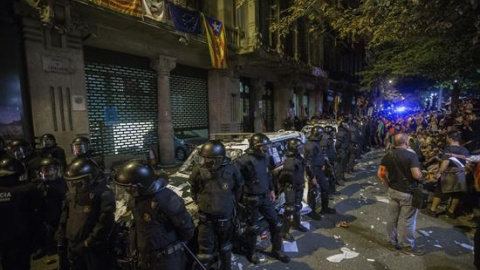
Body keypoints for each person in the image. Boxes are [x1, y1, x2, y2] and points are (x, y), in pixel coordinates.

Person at [115, 160, 195, 270]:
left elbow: (187, 229)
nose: (127, 191)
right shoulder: (137, 197)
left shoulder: (166, 198)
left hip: (166, 259)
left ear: (141, 185)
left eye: (129, 188)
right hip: (146, 257)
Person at [189, 140, 244, 270]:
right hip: (206, 218)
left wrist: (228, 203)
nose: (206, 162)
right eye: (205, 158)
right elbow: (194, 188)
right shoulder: (199, 170)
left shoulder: (231, 169)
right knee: (204, 253)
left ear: (219, 159)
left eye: (210, 159)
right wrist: (201, 202)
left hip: (225, 217)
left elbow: (238, 188)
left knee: (225, 247)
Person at [236, 133, 290, 264]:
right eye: (263, 147)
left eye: (266, 147)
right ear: (255, 146)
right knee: (253, 228)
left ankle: (277, 251)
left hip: (265, 196)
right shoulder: (242, 161)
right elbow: (236, 181)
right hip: (251, 199)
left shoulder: (265, 158)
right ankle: (251, 253)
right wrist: (239, 198)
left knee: (276, 223)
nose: (265, 149)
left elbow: (268, 175)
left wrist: (271, 189)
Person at [57, 158, 115, 270]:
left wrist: (87, 243)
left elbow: (104, 222)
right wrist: (61, 237)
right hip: (73, 242)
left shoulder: (103, 193)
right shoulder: (73, 194)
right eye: (72, 182)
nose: (74, 185)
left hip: (92, 247)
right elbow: (65, 216)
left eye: (79, 182)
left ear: (90, 178)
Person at [377, 133, 424, 256]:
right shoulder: (411, 156)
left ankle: (391, 243)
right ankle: (408, 247)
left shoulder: (388, 156)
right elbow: (416, 175)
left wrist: (387, 184)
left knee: (392, 218)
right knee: (408, 220)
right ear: (406, 143)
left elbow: (381, 174)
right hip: (407, 193)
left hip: (393, 191)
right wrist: (422, 175)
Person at [0, 156, 42, 270]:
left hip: (3, 237)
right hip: (23, 234)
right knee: (22, 263)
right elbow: (38, 210)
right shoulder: (27, 189)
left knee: (7, 261)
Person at [423, 131, 470, 218]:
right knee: (457, 193)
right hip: (461, 173)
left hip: (449, 172)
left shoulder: (448, 149)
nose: (446, 139)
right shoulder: (465, 150)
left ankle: (432, 210)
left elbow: (446, 162)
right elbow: (468, 164)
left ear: (451, 139)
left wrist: (439, 173)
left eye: (447, 137)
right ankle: (450, 211)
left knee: (440, 191)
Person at [32, 157, 68, 260]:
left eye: (52, 169)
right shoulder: (38, 185)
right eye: (46, 170)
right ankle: (45, 248)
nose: (49, 173)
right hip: (46, 217)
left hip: (60, 216)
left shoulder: (63, 183)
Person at [279, 138, 308, 242]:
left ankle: (297, 224)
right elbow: (285, 176)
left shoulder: (299, 158)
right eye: (299, 147)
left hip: (299, 185)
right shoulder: (290, 160)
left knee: (297, 206)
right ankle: (284, 232)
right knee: (289, 209)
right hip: (291, 187)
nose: (301, 149)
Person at [305, 126, 336, 220]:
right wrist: (312, 176)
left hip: (319, 169)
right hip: (313, 171)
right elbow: (308, 163)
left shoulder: (316, 142)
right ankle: (312, 212)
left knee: (325, 188)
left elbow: (319, 155)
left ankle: (325, 208)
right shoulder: (310, 145)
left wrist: (322, 164)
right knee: (313, 192)